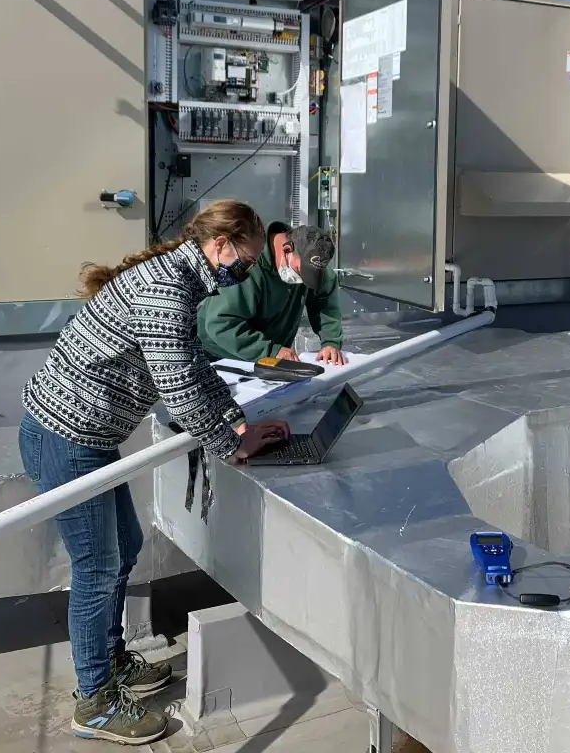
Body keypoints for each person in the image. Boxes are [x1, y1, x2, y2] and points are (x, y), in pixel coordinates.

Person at [19, 200, 291, 746]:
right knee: (97, 567)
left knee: (123, 543)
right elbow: (177, 388)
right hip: (65, 439)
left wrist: (238, 426)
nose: (246, 271)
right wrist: (227, 445)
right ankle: (94, 701)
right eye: (248, 259)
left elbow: (192, 366)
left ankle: (111, 662)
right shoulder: (166, 289)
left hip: (86, 439)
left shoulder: (180, 281)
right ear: (223, 246)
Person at [197, 222, 346, 366]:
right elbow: (221, 323)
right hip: (216, 354)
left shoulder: (312, 261)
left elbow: (325, 304)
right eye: (301, 271)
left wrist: (331, 343)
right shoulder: (247, 262)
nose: (303, 279)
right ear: (287, 249)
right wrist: (271, 351)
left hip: (267, 356)